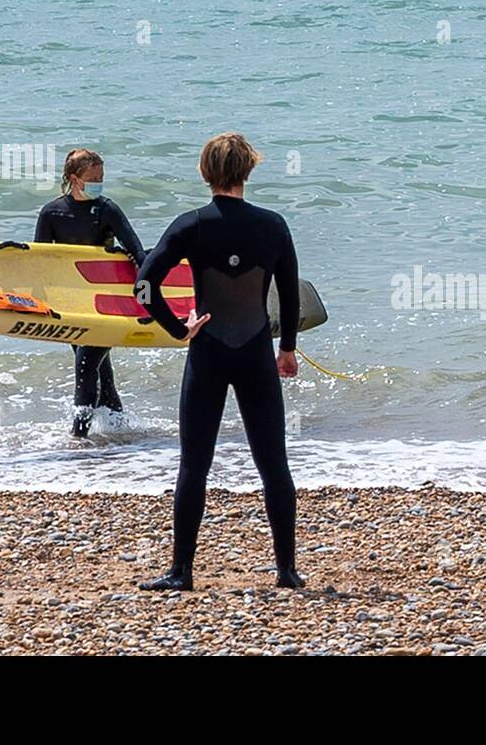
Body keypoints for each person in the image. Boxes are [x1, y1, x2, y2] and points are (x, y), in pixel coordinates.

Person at [135, 132, 303, 591]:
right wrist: (285, 347)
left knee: (194, 464)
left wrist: (177, 328)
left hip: (207, 353)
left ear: (205, 172)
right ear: (248, 170)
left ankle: (180, 572)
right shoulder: (273, 225)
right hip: (255, 354)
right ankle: (286, 570)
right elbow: (288, 293)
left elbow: (144, 285)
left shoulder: (191, 224)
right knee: (273, 463)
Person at [35, 149, 146, 438]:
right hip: (72, 305)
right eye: (93, 178)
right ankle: (120, 432)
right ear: (74, 178)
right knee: (101, 372)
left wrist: (149, 293)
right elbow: (39, 263)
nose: (99, 183)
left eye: (101, 178)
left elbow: (136, 251)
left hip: (106, 304)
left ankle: (79, 436)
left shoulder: (107, 210)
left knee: (86, 364)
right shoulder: (52, 213)